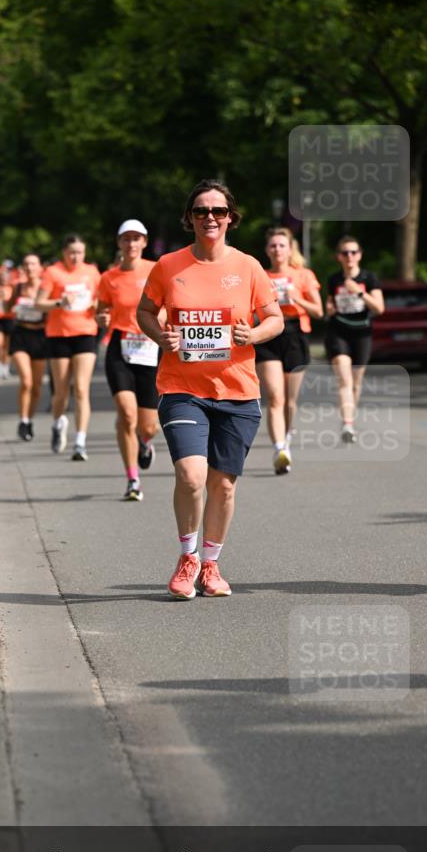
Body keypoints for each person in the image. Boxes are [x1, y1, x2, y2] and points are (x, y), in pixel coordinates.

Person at [137, 179, 283, 599]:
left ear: (231, 218)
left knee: (223, 485)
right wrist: (160, 336)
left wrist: (253, 335)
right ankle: (187, 557)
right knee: (191, 474)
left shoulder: (248, 267)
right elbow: (145, 311)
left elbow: (275, 319)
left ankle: (211, 564)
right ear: (189, 219)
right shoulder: (167, 266)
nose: (210, 218)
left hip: (237, 391)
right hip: (181, 386)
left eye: (218, 211)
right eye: (201, 211)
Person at [97, 219, 160, 501]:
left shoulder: (156, 270)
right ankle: (132, 479)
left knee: (148, 426)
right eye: (126, 239)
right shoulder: (108, 277)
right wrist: (102, 318)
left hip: (150, 347)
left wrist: (163, 327)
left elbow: (170, 304)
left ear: (144, 242)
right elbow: (101, 310)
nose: (131, 244)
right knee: (126, 413)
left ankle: (145, 443)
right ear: (119, 243)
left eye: (137, 238)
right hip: (120, 346)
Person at [255, 228, 323, 473]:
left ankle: (286, 434)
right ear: (267, 250)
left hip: (295, 335)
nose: (277, 250)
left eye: (282, 245)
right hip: (268, 335)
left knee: (289, 401)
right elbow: (249, 308)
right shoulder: (260, 275)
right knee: (275, 396)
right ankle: (280, 448)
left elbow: (319, 311)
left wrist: (297, 298)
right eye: (273, 245)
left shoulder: (303, 275)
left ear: (290, 249)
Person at [36, 234, 101, 461]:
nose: (75, 256)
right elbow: (39, 303)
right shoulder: (53, 272)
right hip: (58, 336)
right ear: (64, 252)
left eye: (80, 252)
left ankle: (80, 442)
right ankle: (58, 423)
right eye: (71, 252)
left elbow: (102, 299)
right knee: (61, 391)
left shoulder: (92, 272)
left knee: (82, 389)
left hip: (85, 333)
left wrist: (96, 304)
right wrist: (58, 303)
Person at [325, 236, 384, 442]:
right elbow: (330, 305)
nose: (349, 256)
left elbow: (379, 308)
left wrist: (359, 292)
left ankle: (348, 419)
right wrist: (329, 308)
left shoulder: (369, 279)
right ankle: (348, 425)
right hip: (338, 332)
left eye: (353, 252)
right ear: (338, 257)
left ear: (359, 255)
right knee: (344, 379)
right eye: (344, 253)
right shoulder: (333, 280)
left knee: (356, 384)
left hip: (361, 333)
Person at [8, 253, 48, 441]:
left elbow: (53, 311)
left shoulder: (46, 287)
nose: (30, 267)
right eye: (26, 264)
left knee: (37, 387)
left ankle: (29, 419)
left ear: (40, 267)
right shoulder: (18, 287)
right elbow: (7, 308)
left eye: (33, 264)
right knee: (26, 381)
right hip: (20, 334)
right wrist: (9, 299)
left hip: (40, 336)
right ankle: (23, 420)